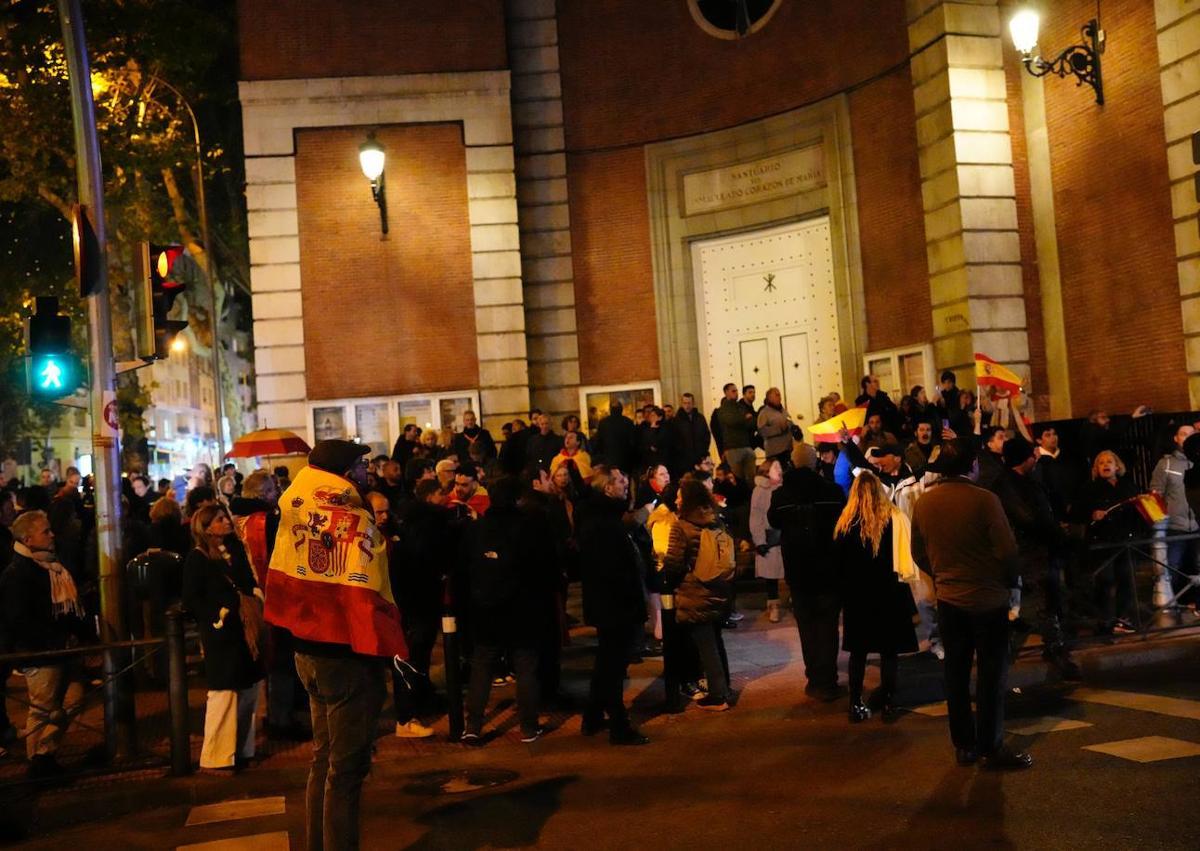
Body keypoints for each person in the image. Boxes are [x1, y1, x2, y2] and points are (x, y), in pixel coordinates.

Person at [264, 439, 408, 851]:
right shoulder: (349, 516)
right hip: (343, 654)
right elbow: (369, 585)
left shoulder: (293, 508)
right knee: (345, 771)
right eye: (360, 465)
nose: (365, 471)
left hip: (306, 647)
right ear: (345, 472)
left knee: (322, 759)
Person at [910, 439, 1030, 770]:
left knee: (956, 673)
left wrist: (942, 574)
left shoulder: (924, 503)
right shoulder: (985, 500)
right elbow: (1007, 551)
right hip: (988, 599)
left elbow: (918, 552)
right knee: (991, 675)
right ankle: (991, 745)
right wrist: (1007, 581)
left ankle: (964, 744)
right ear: (971, 466)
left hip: (950, 598)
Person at [461, 477, 556, 745]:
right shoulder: (529, 528)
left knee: (482, 665)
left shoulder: (477, 529)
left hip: (485, 608)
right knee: (525, 665)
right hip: (522, 607)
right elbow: (544, 568)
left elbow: (465, 568)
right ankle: (528, 726)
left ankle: (473, 725)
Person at [1, 510, 90, 779]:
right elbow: (18, 619)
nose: (52, 535)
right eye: (45, 532)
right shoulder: (18, 573)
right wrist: (51, 639)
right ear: (28, 539)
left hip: (60, 649)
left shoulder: (50, 565)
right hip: (40, 653)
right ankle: (37, 761)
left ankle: (43, 752)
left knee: (74, 698)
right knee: (41, 708)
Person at [183, 504, 264, 771]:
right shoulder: (197, 558)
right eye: (220, 520)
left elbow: (247, 579)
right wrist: (217, 616)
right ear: (206, 528)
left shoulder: (235, 550)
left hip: (244, 631)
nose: (227, 522)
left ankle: (242, 749)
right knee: (223, 693)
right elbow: (192, 598)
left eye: (225, 517)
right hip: (222, 634)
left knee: (248, 690)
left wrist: (253, 593)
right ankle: (217, 756)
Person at [834, 471, 918, 723]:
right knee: (889, 652)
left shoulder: (845, 523)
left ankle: (855, 703)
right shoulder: (894, 518)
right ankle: (890, 702)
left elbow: (839, 566)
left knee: (858, 652)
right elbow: (905, 557)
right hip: (889, 593)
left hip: (857, 597)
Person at [575, 467, 650, 745]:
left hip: (611, 603)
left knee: (607, 661)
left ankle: (593, 716)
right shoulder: (603, 522)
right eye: (620, 481)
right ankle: (618, 724)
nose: (625, 485)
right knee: (614, 666)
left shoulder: (604, 516)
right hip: (615, 605)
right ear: (607, 488)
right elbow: (611, 569)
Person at [993, 439, 1079, 678]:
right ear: (1023, 459)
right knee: (1039, 605)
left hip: (1040, 551)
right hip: (1027, 553)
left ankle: (1052, 648)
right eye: (1033, 455)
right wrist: (1055, 531)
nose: (1036, 458)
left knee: (1047, 601)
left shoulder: (1026, 482)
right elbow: (1028, 519)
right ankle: (1051, 650)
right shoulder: (1007, 486)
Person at [767, 454, 847, 701]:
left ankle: (814, 677)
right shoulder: (831, 491)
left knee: (807, 627)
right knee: (827, 627)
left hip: (798, 571)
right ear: (815, 464)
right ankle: (828, 680)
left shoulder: (782, 496)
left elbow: (773, 520)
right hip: (828, 569)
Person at [662, 479, 735, 712]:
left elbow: (674, 564)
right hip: (717, 588)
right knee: (715, 640)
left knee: (706, 646)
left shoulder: (682, 526)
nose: (676, 499)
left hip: (694, 592)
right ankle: (725, 686)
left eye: (680, 496)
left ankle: (718, 695)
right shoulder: (714, 520)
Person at [388, 480, 450, 738]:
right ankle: (407, 716)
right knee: (410, 660)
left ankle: (420, 702)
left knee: (418, 659)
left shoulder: (407, 544)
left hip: (417, 610)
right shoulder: (415, 548)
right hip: (414, 612)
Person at [1074, 450, 1144, 634]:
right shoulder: (1089, 488)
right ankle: (1105, 621)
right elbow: (1076, 513)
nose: (1105, 465)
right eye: (1101, 463)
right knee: (1105, 581)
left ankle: (1122, 619)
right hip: (1102, 542)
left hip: (1125, 541)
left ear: (1117, 466)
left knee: (1126, 580)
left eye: (1109, 462)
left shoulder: (1128, 485)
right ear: (1096, 468)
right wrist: (1092, 514)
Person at [1151, 424, 1199, 611]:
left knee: (1196, 566)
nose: (1187, 438)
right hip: (1175, 526)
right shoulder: (1166, 464)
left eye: (1191, 434)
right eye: (1183, 434)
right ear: (1176, 439)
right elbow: (1156, 495)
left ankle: (1195, 604)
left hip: (1196, 524)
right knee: (1174, 567)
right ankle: (1178, 604)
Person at [749, 459, 785, 623]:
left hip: (785, 535)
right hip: (769, 537)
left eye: (779, 466)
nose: (779, 469)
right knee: (771, 576)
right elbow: (756, 517)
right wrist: (759, 541)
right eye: (775, 467)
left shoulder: (785, 487)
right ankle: (773, 605)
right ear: (766, 471)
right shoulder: (760, 491)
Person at [716, 383, 757, 485]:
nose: (736, 393)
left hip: (746, 445)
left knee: (751, 477)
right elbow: (731, 421)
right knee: (737, 477)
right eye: (733, 391)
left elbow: (751, 422)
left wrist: (745, 419)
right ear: (726, 393)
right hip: (733, 447)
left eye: (736, 391)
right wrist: (744, 418)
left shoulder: (740, 407)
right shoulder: (723, 409)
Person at [669, 393, 711, 479]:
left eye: (689, 403)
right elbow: (674, 439)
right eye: (685, 403)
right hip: (683, 460)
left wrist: (703, 452)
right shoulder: (676, 420)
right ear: (681, 404)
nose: (687, 406)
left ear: (693, 403)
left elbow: (706, 435)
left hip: (699, 458)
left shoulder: (700, 418)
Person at [592, 401, 637, 473]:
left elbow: (598, 442)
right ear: (621, 409)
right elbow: (633, 442)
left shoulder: (603, 422)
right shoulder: (628, 422)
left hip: (608, 459)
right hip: (625, 459)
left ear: (610, 410)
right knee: (624, 481)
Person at [757, 387, 795, 466]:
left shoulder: (783, 411)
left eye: (780, 395)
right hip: (775, 453)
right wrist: (779, 429)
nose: (780, 397)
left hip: (788, 450)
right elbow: (762, 431)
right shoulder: (764, 413)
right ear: (769, 398)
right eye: (777, 395)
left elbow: (789, 422)